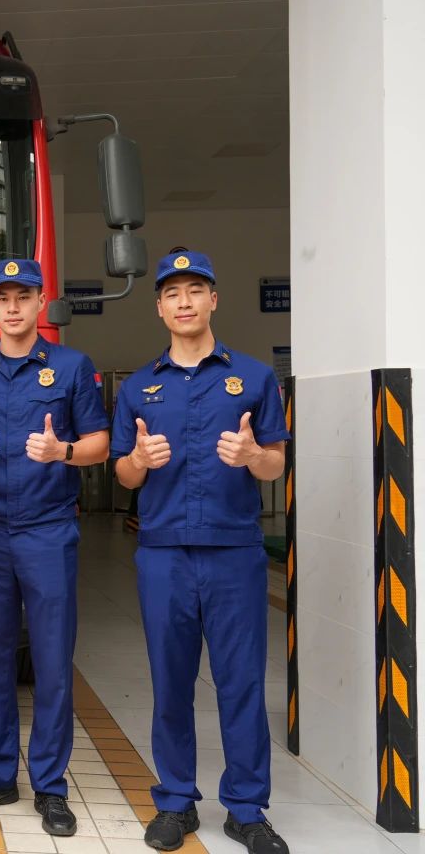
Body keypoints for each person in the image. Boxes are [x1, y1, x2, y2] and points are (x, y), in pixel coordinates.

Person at [112, 251, 290, 854]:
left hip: (234, 553)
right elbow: (124, 474)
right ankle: (176, 802)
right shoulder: (140, 387)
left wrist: (252, 456)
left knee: (242, 682)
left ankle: (247, 809)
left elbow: (275, 462)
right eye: (172, 293)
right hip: (163, 554)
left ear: (213, 299)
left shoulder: (254, 378)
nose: (183, 302)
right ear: (159, 307)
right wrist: (139, 461)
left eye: (194, 290)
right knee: (171, 681)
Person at [0, 258, 109, 837]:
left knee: (53, 661)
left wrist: (63, 452)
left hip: (47, 530)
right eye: (3, 297)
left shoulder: (71, 366)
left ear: (41, 302)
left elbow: (101, 443)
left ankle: (51, 786)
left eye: (23, 296)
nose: (13, 307)